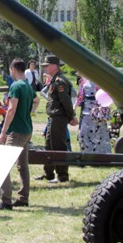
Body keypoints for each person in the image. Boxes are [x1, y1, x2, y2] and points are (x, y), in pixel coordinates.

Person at [0, 58, 39, 209]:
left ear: (13, 70)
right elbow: (37, 100)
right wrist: (30, 112)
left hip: (16, 131)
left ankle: (6, 200)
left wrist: (3, 131)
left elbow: (11, 109)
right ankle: (23, 198)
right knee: (23, 166)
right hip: (27, 130)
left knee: (4, 165)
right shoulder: (28, 86)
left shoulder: (16, 86)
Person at [35, 55, 78, 183]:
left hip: (59, 117)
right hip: (53, 117)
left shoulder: (60, 81)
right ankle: (48, 173)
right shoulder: (54, 80)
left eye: (47, 66)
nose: (45, 68)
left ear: (54, 66)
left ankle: (62, 176)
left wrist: (71, 117)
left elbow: (65, 101)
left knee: (59, 147)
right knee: (49, 146)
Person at [75, 77, 112, 154]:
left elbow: (105, 94)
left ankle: (101, 154)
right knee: (84, 133)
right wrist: (74, 106)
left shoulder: (100, 78)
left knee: (99, 131)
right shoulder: (83, 80)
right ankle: (86, 154)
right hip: (86, 110)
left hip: (98, 110)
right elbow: (80, 95)